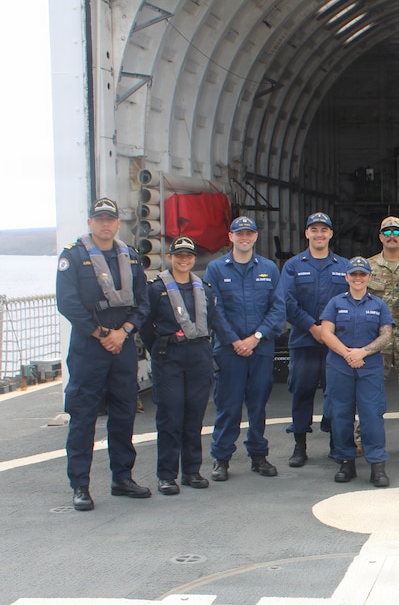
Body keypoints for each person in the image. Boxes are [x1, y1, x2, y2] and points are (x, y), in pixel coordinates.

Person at [56, 197, 151, 511]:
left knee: (123, 414)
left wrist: (122, 332)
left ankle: (122, 478)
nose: (105, 225)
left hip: (121, 346)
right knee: (83, 417)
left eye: (110, 219)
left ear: (117, 224)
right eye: (99, 219)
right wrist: (101, 335)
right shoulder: (73, 256)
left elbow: (142, 303)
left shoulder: (132, 258)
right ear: (90, 223)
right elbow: (68, 304)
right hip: (88, 347)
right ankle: (80, 486)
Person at [205, 216, 286, 481]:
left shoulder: (269, 268)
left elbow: (277, 307)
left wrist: (256, 337)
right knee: (228, 406)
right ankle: (221, 457)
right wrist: (235, 341)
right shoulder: (216, 270)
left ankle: (258, 456)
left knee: (258, 405)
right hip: (229, 351)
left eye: (248, 234)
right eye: (239, 234)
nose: (244, 238)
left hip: (260, 349)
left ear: (255, 237)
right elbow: (213, 311)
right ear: (230, 237)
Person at [140, 236, 215, 495]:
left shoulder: (204, 288)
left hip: (199, 356)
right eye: (179, 255)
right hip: (169, 356)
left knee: (194, 417)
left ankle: (192, 470)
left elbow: (212, 320)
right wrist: (161, 348)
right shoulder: (155, 288)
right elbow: (144, 324)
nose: (184, 260)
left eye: (189, 256)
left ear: (194, 259)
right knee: (170, 417)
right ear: (170, 257)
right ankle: (167, 474)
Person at [281, 212, 349, 467]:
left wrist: (328, 332)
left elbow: (348, 301)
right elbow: (287, 301)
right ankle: (300, 445)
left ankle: (336, 442)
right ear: (307, 233)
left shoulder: (343, 266)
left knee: (335, 393)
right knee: (301, 391)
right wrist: (312, 327)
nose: (319, 234)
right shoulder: (293, 265)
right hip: (303, 341)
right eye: (314, 230)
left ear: (331, 234)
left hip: (336, 343)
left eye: (324, 229)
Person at [320, 257, 395, 487]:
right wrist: (348, 354)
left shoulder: (379, 305)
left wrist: (362, 352)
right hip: (340, 368)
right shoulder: (335, 303)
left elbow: (386, 334)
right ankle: (346, 462)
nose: (358, 278)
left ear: (369, 278)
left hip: (369, 368)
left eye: (363, 274)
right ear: (347, 277)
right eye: (354, 274)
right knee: (341, 416)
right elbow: (326, 333)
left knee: (372, 417)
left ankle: (377, 466)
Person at [367, 216, 399, 432]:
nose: (392, 236)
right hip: (378, 338)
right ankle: (363, 437)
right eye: (387, 232)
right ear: (380, 237)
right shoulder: (368, 266)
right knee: (372, 389)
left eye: (396, 232)